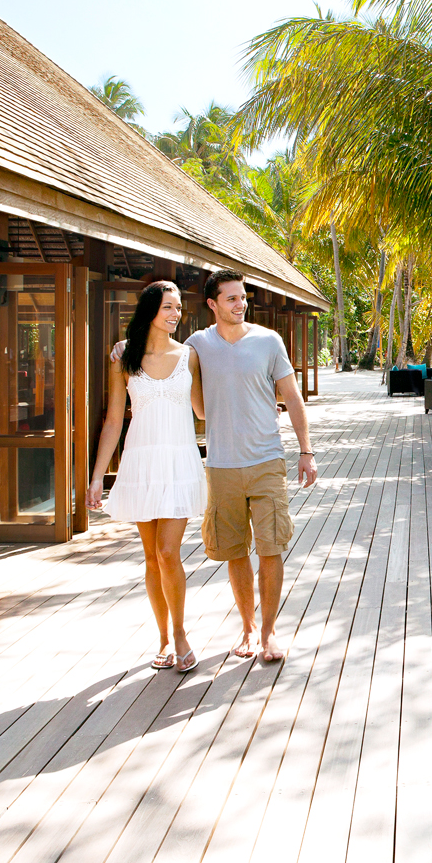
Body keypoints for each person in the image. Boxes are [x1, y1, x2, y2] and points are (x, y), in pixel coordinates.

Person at [112, 269, 318, 663]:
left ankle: (270, 631)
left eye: (243, 298)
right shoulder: (197, 346)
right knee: (234, 551)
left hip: (266, 460)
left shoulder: (268, 340)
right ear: (212, 304)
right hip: (220, 465)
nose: (240, 304)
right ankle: (247, 628)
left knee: (271, 546)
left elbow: (292, 396)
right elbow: (166, 357)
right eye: (232, 299)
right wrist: (126, 344)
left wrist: (305, 452)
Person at [87, 281, 206, 674]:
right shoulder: (124, 357)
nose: (176, 315)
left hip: (179, 463)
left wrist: (257, 403)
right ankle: (162, 640)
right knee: (153, 558)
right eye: (168, 307)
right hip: (140, 464)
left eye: (178, 309)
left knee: (169, 552)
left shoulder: (188, 356)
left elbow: (204, 411)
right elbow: (113, 420)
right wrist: (96, 477)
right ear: (150, 310)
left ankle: (181, 632)